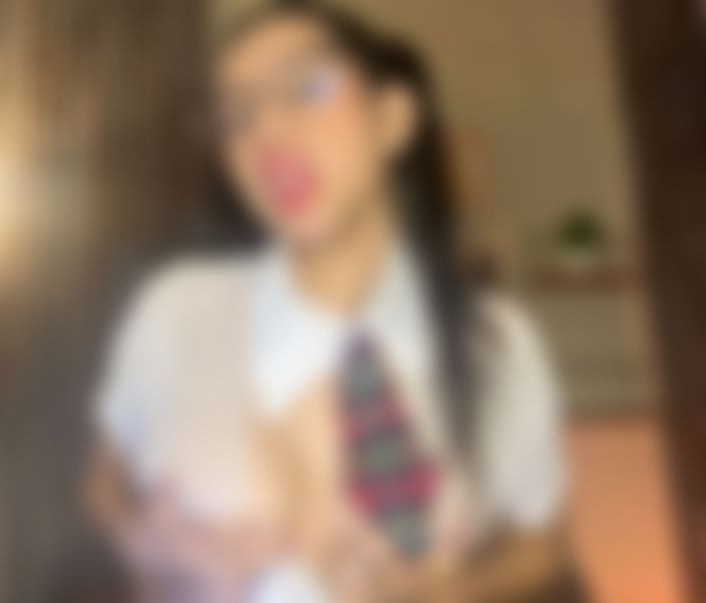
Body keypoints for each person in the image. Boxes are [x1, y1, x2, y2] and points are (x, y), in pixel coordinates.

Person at [85, 2, 577, 601]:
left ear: (392, 119)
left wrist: (448, 594)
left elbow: (541, 546)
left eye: (308, 87)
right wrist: (138, 537)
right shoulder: (175, 314)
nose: (267, 132)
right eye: (236, 115)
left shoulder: (498, 345)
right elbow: (107, 480)